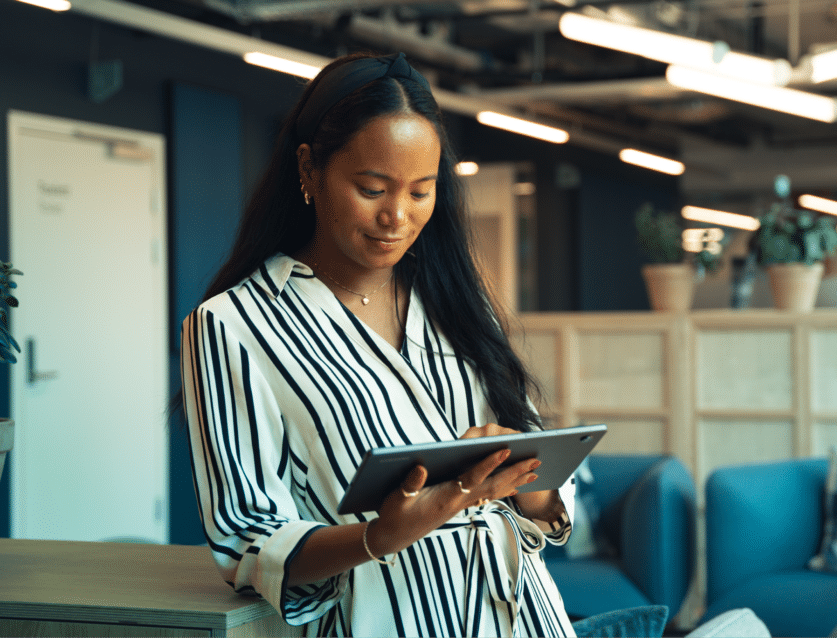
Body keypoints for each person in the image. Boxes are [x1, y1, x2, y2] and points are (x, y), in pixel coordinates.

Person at [179, 51, 577, 637]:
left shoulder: (458, 302)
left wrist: (533, 488)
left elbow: (535, 481)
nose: (397, 215)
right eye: (372, 188)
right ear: (310, 171)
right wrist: (380, 535)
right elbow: (247, 543)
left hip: (525, 618)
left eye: (421, 192)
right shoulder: (232, 324)